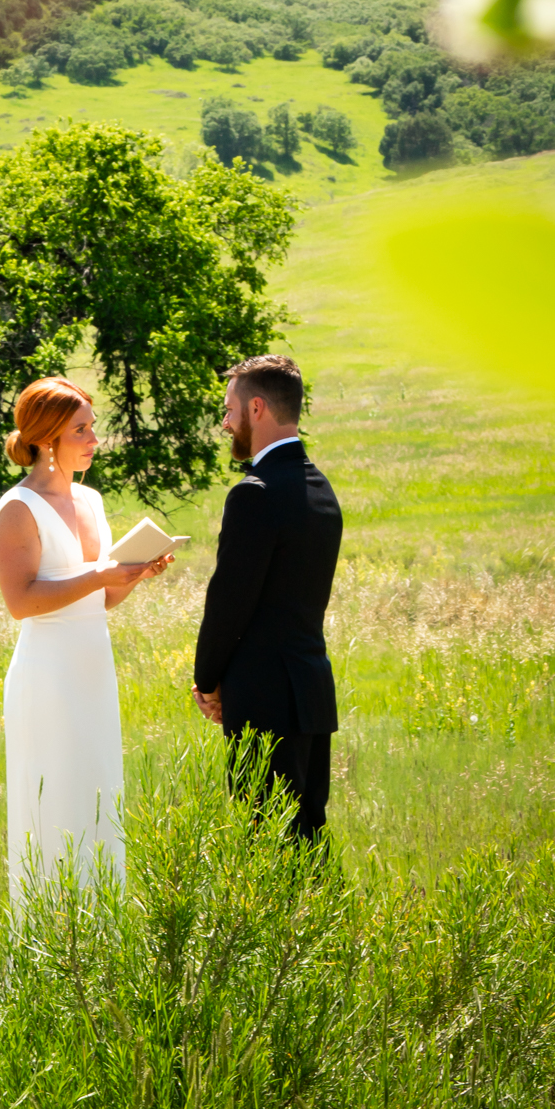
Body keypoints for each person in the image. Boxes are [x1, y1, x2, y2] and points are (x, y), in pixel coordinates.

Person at [0, 376, 172, 899]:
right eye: (82, 430)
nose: (96, 440)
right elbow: (20, 602)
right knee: (55, 809)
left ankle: (100, 947)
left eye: (93, 427)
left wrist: (133, 575)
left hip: (95, 672)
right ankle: (47, 945)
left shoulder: (92, 501)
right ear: (48, 439)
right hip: (48, 676)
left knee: (98, 804)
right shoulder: (18, 508)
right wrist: (99, 575)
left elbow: (100, 601)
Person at [192, 354, 341, 840]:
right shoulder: (321, 490)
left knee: (266, 848)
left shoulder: (254, 493)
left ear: (256, 409)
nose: (225, 421)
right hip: (311, 693)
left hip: (264, 700)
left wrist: (207, 681)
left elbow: (230, 602)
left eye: (229, 408)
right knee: (306, 840)